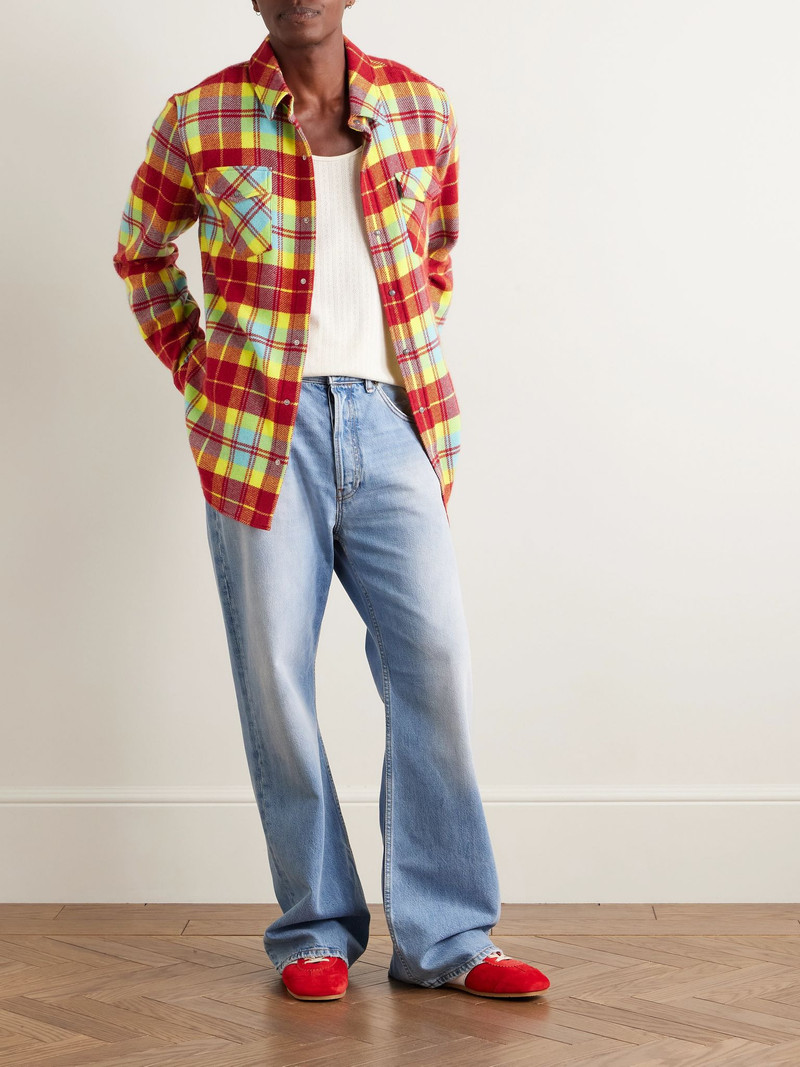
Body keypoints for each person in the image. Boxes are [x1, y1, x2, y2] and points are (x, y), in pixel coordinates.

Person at [113, 0, 551, 1002]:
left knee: (434, 661)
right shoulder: (198, 116)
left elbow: (435, 253)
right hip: (259, 433)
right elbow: (142, 254)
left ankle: (447, 936)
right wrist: (202, 371)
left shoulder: (422, 108)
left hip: (395, 421)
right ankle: (314, 928)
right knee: (277, 679)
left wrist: (390, 359)